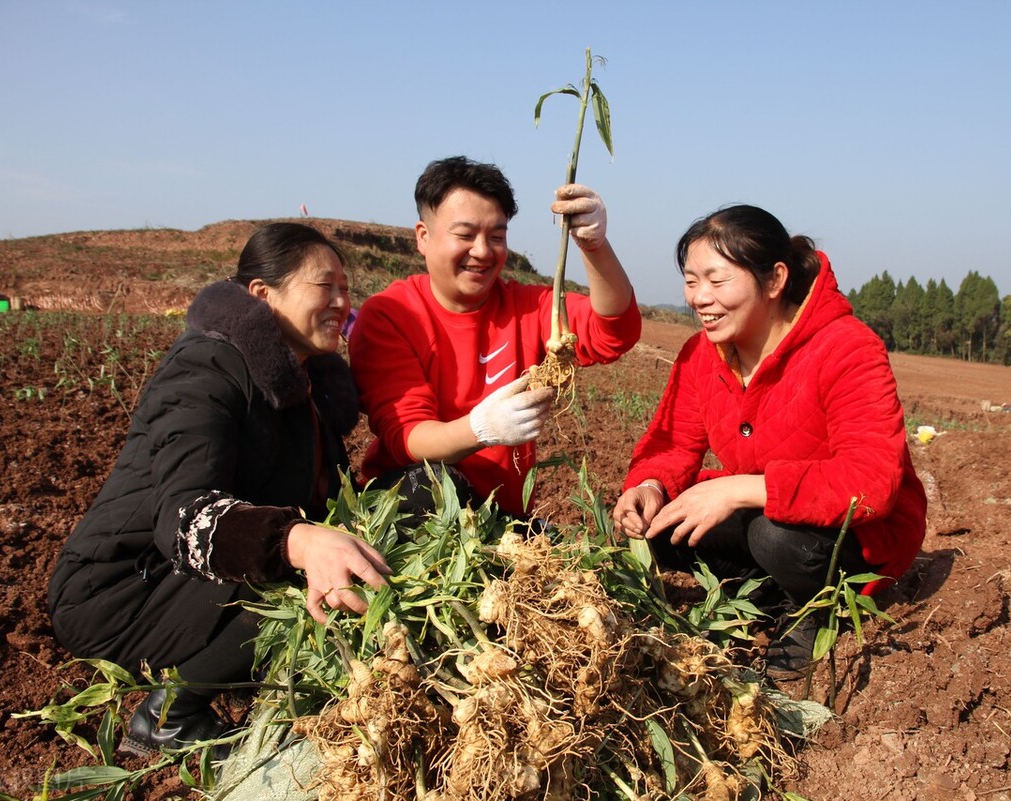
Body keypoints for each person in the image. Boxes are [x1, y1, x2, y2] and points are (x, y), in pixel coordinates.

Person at [47, 222, 392, 755]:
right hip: (126, 591)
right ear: (262, 294)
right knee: (300, 570)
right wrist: (297, 540)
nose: (343, 303)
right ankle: (170, 712)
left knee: (396, 517)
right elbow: (184, 518)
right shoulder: (206, 369)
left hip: (195, 584)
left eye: (347, 289)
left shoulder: (309, 385)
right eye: (326, 287)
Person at [612, 205, 927, 681]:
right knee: (656, 523)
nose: (699, 297)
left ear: (775, 279)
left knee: (774, 537)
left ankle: (816, 612)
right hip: (769, 511)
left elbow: (872, 481)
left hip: (856, 535)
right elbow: (675, 442)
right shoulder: (702, 354)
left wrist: (737, 490)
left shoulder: (847, 348)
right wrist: (651, 486)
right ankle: (763, 598)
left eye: (716, 282)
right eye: (691, 280)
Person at [349, 156, 641, 517]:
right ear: (423, 237)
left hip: (501, 516)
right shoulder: (390, 314)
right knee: (435, 484)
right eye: (465, 235)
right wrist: (481, 429)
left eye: (497, 236)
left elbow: (613, 331)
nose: (483, 251)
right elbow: (408, 438)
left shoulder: (529, 307)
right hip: (413, 510)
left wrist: (595, 247)